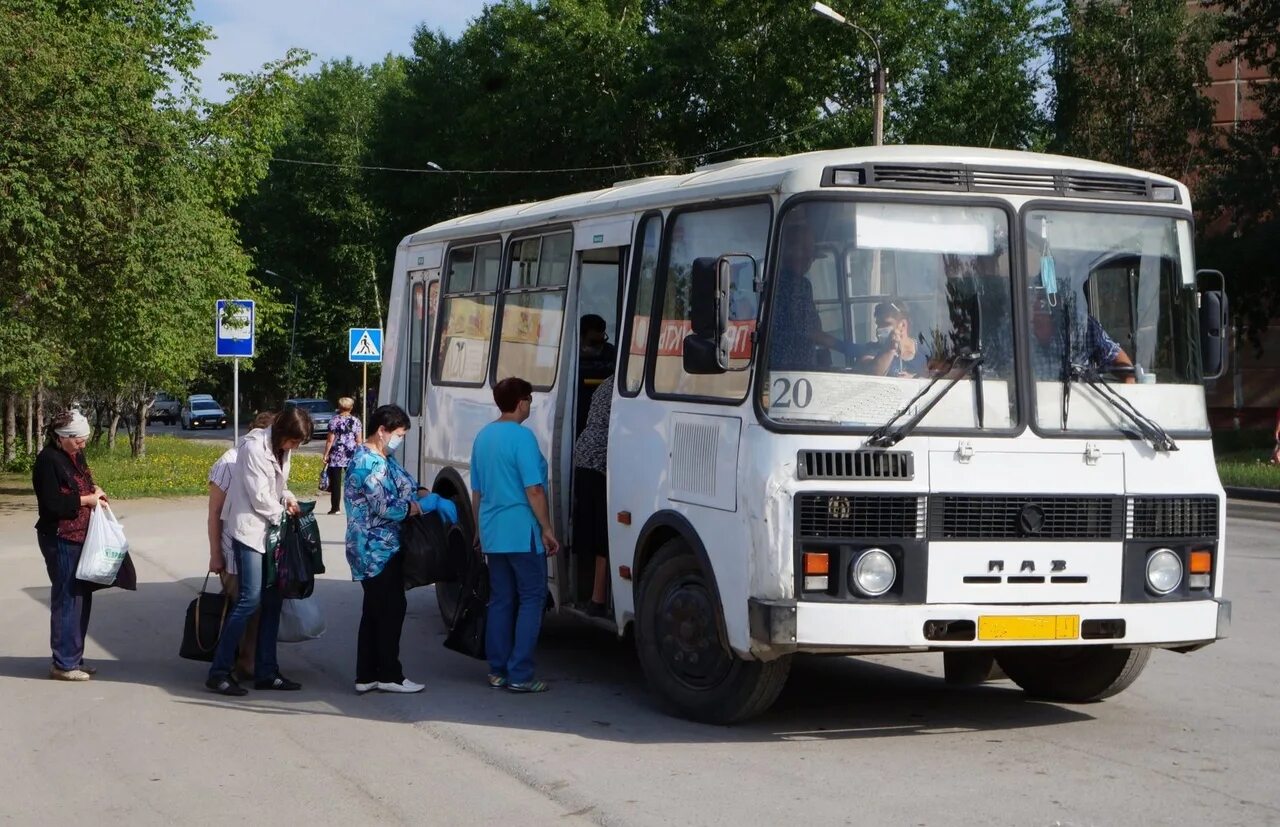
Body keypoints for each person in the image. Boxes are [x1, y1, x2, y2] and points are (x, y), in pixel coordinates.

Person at [205, 407, 312, 696]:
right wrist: (283, 514)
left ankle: (267, 670)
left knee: (273, 600)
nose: (295, 448)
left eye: (298, 444)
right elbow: (259, 496)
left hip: (271, 533)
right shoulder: (253, 447)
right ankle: (219, 671)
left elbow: (279, 485)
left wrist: (289, 498)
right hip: (249, 531)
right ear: (281, 432)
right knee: (249, 600)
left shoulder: (281, 449)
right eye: (293, 441)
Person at [470, 377, 560, 693]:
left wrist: (479, 530)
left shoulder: (483, 437)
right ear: (521, 402)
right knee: (532, 598)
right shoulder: (523, 438)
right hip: (523, 532)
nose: (530, 406)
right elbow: (534, 490)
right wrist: (547, 528)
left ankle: (497, 670)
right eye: (530, 400)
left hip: (494, 532)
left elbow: (477, 492)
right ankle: (520, 673)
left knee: (501, 600)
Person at [32, 411, 136, 681]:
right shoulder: (47, 461)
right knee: (67, 598)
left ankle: (74, 658)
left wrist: (96, 491)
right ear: (62, 438)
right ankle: (63, 664)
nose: (83, 445)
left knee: (81, 596)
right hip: (60, 537)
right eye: (78, 440)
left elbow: (84, 483)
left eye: (85, 440)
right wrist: (87, 500)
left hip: (81, 536)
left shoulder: (74, 456)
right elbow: (52, 505)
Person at [345, 404, 427, 695]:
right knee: (391, 608)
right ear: (382, 430)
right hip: (375, 548)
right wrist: (414, 508)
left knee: (375, 609)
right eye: (399, 434)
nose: (399, 440)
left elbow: (404, 483)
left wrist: (422, 493)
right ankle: (389, 674)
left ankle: (366, 674)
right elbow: (383, 506)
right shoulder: (369, 462)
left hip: (383, 546)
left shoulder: (383, 457)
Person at [206, 410, 276, 680]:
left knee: (255, 609)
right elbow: (214, 513)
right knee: (241, 607)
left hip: (258, 546)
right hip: (232, 547)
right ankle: (231, 663)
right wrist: (215, 555)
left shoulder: (267, 459)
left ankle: (248, 662)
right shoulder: (229, 461)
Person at [769, 221, 863, 369]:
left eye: (811, 252)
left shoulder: (776, 280)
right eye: (803, 250)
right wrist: (846, 347)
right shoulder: (797, 285)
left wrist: (822, 351)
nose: (809, 258)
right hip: (793, 367)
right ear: (787, 251)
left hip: (780, 364)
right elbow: (807, 330)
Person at [572, 374, 613, 618]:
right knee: (603, 532)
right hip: (600, 458)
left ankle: (593, 595)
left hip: (585, 453)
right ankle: (597, 598)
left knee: (593, 528)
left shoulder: (606, 382)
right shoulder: (625, 383)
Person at [1028, 290, 1134, 382]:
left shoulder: (1081, 327)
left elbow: (1121, 363)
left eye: (1048, 300)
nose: (1042, 307)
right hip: (1030, 405)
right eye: (1038, 299)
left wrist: (1130, 390)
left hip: (1079, 403)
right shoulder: (1015, 336)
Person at [859, 300, 930, 377]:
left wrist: (914, 378)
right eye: (878, 324)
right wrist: (890, 348)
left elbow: (935, 377)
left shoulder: (924, 351)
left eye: (886, 324)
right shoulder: (871, 349)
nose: (879, 328)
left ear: (902, 325)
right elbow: (872, 374)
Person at [322, 396, 362, 515]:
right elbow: (359, 440)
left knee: (336, 482)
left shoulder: (334, 421)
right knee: (353, 481)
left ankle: (335, 508)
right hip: (351, 454)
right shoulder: (356, 421)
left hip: (336, 454)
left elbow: (330, 440)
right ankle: (355, 506)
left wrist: (326, 454)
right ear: (351, 407)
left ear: (339, 407)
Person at [577, 314, 616, 436]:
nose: (600, 347)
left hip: (604, 414)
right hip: (578, 410)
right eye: (593, 343)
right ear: (581, 338)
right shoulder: (571, 356)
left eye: (602, 340)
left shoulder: (611, 353)